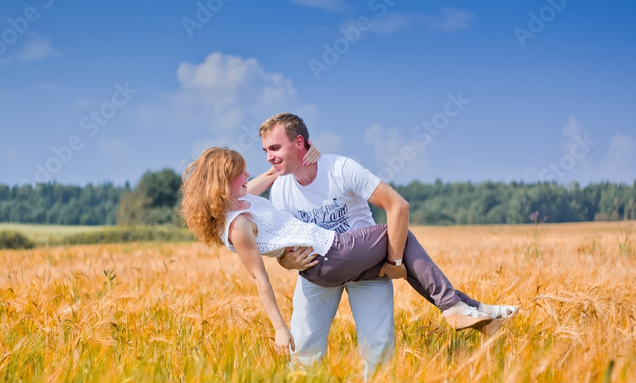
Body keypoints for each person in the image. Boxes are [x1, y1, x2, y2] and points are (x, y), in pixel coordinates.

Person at [179, 146, 517, 357]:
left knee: (408, 263)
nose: (248, 174)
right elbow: (260, 280)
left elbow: (267, 176)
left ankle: (475, 311)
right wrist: (281, 328)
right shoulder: (237, 225)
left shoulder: (239, 198)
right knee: (398, 235)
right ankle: (453, 307)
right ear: (222, 181)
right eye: (240, 173)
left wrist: (303, 156)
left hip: (327, 261)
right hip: (331, 253)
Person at [258, 113, 514, 374]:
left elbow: (397, 205)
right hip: (320, 269)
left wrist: (393, 261)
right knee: (303, 351)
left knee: (378, 351)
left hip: (365, 262)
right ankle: (465, 308)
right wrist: (285, 261)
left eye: (275, 148)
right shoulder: (280, 191)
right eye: (265, 150)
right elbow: (283, 240)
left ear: (300, 142)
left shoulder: (340, 168)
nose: (269, 156)